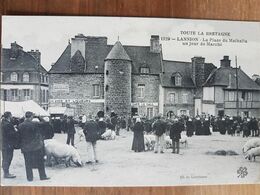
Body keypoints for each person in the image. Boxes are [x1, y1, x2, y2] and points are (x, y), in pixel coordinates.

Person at [17, 111, 49, 181]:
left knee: (27, 163)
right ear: (31, 116)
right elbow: (45, 123)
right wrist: (39, 117)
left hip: (26, 147)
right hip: (36, 147)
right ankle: (42, 176)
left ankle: (30, 178)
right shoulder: (35, 123)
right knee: (40, 162)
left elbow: (18, 137)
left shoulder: (20, 125)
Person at [1, 111, 18, 178]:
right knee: (8, 158)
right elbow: (10, 135)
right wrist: (15, 130)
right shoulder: (8, 124)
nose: (12, 117)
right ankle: (6, 173)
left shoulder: (3, 122)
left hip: (4, 144)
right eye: (11, 115)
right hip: (8, 144)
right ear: (9, 116)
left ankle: (6, 172)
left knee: (5, 158)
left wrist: (12, 127)